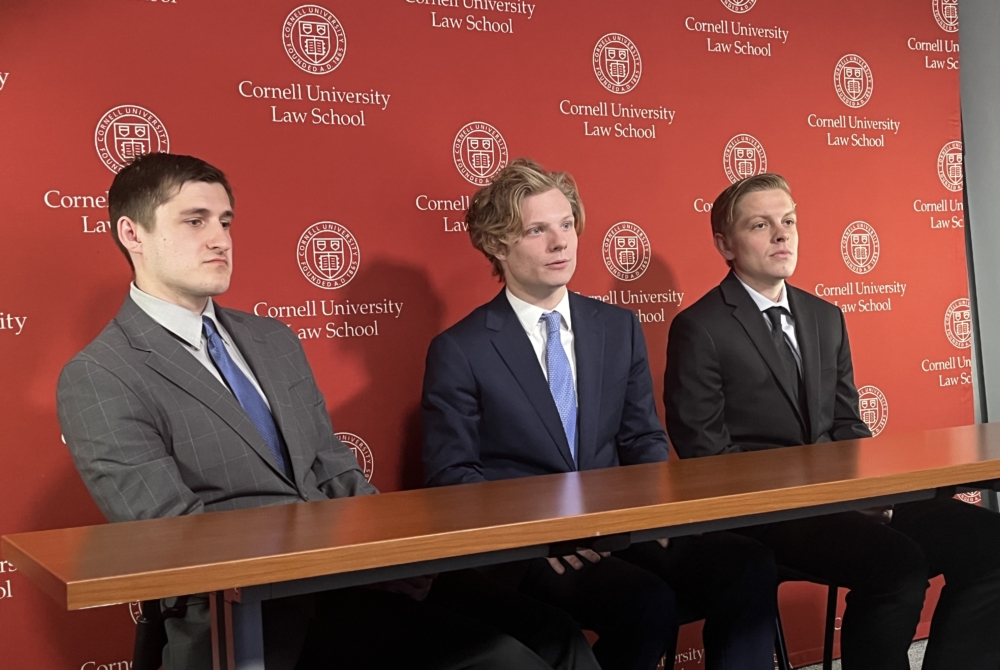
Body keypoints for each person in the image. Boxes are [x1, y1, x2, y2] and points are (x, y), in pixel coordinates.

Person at [56, 152, 596, 670]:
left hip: (351, 587)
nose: (220, 239)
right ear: (133, 234)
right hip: (249, 621)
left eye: (225, 220)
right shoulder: (101, 376)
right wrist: (342, 564)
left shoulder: (271, 339)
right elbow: (172, 539)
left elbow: (334, 469)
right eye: (195, 221)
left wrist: (396, 558)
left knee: (556, 637)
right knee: (498, 659)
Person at [422, 158, 778, 670]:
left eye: (566, 225)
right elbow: (452, 478)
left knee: (747, 563)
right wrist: (539, 537)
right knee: (644, 603)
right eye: (537, 230)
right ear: (497, 245)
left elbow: (643, 438)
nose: (560, 242)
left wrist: (656, 513)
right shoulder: (461, 348)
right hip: (533, 546)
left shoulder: (617, 326)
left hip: (622, 526)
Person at [664, 172, 1000, 670]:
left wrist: (873, 494)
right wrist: (829, 499)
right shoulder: (700, 327)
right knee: (898, 566)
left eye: (789, 221)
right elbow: (707, 458)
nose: (781, 235)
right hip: (770, 516)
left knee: (989, 544)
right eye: (761, 224)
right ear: (724, 243)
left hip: (851, 498)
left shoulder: (825, 316)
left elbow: (849, 426)